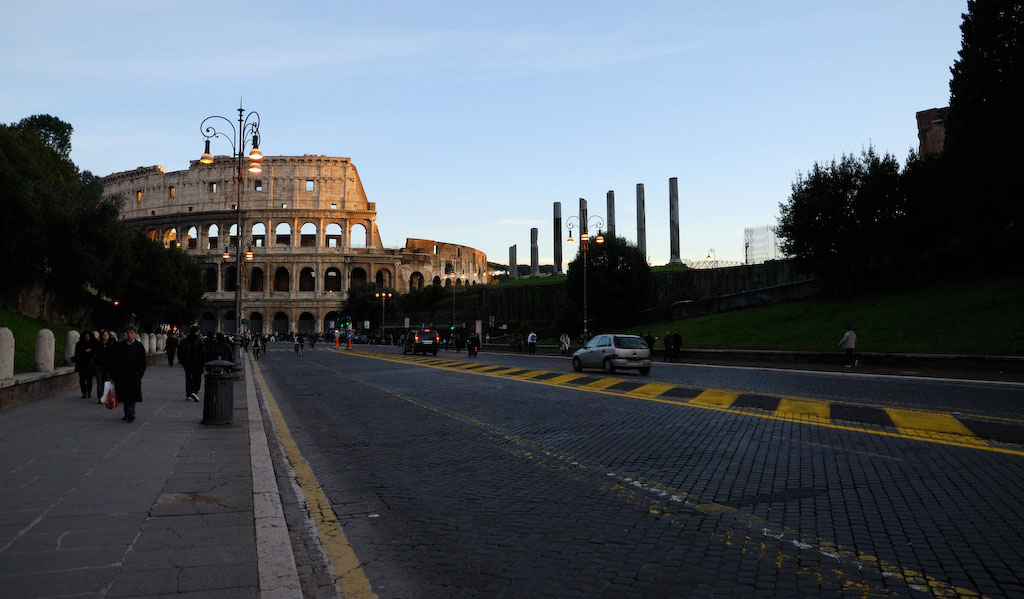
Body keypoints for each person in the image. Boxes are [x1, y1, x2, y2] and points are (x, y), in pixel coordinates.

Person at [112, 325, 147, 423]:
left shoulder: (139, 346)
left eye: (132, 333)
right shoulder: (120, 346)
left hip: (134, 376)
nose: (130, 335)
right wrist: (115, 375)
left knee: (132, 396)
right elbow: (115, 361)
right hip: (122, 376)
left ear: (135, 334)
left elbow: (143, 363)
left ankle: (131, 413)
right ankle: (127, 413)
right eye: (128, 333)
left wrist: (139, 375)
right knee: (124, 396)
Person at [177, 326, 205, 402]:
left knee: (188, 378)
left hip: (187, 363)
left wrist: (182, 362)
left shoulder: (184, 341)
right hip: (197, 363)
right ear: (197, 332)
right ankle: (194, 392)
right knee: (197, 378)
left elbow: (179, 352)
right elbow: (203, 353)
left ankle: (188, 394)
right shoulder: (200, 341)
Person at [73, 331, 99, 399]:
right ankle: (84, 392)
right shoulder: (79, 344)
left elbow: (95, 353)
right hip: (81, 363)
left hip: (90, 363)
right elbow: (77, 353)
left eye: (88, 336)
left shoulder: (93, 344)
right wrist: (85, 351)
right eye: (86, 336)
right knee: (82, 379)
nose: (87, 338)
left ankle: (89, 392)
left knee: (89, 378)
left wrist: (90, 351)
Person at [94, 330, 117, 404]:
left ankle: (106, 396)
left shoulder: (111, 344)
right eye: (104, 334)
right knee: (99, 382)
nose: (105, 336)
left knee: (106, 382)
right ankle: (100, 398)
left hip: (107, 366)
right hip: (99, 365)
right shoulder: (98, 344)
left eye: (107, 334)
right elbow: (95, 353)